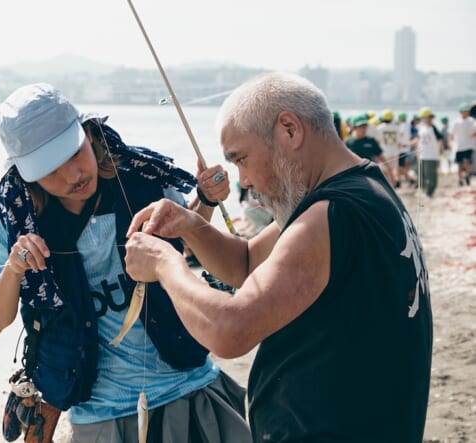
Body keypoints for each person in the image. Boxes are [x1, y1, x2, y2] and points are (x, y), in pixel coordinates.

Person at [122, 72, 432, 442]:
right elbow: (247, 263)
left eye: (242, 159)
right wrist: (190, 224)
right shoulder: (363, 190)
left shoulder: (330, 215)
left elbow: (230, 330)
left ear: (289, 130)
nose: (245, 181)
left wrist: (164, 264)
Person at [0, 83, 251, 443]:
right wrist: (14, 269)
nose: (73, 175)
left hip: (191, 386)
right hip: (101, 418)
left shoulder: (144, 178)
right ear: (26, 174)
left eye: (75, 154)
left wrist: (206, 200)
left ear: (89, 133)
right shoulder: (14, 221)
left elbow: (187, 239)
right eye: (50, 169)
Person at [345, 113, 394, 184]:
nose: (363, 129)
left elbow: (380, 155)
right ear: (354, 128)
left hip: (369, 173)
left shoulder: (371, 140)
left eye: (365, 126)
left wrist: (389, 170)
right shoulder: (348, 142)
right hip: (353, 174)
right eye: (361, 126)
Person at [411, 107, 443, 197]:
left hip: (432, 156)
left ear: (430, 118)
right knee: (422, 175)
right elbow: (418, 140)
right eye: (423, 118)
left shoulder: (434, 128)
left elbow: (440, 140)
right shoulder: (421, 128)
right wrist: (414, 150)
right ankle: (424, 191)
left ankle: (430, 192)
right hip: (422, 155)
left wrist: (440, 153)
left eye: (427, 117)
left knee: (431, 176)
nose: (425, 119)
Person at [450, 102, 476, 186]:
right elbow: (451, 133)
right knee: (459, 165)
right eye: (464, 111)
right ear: (460, 112)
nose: (466, 112)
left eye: (467, 111)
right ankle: (460, 179)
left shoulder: (472, 121)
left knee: (467, 162)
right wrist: (450, 142)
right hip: (459, 146)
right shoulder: (456, 122)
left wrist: (473, 134)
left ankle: (467, 176)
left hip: (468, 146)